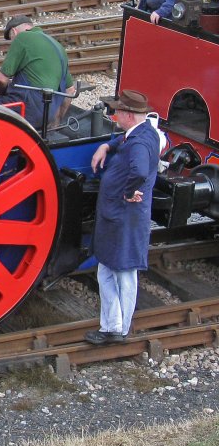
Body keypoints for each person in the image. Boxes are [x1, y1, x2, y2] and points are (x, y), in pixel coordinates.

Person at [84, 89, 160, 345]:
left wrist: (129, 192)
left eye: (117, 111)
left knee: (121, 271)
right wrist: (107, 145)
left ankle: (116, 328)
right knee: (111, 269)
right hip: (120, 216)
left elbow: (138, 170)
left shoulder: (138, 143)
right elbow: (123, 141)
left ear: (128, 115)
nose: (114, 114)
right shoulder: (144, 132)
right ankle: (114, 324)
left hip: (123, 216)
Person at [0, 14, 76, 130]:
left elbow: (1, 79)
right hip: (48, 114)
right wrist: (56, 121)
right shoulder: (58, 46)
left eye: (11, 37)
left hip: (27, 110)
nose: (12, 42)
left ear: (14, 31)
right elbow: (70, 91)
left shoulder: (22, 38)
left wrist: (3, 95)